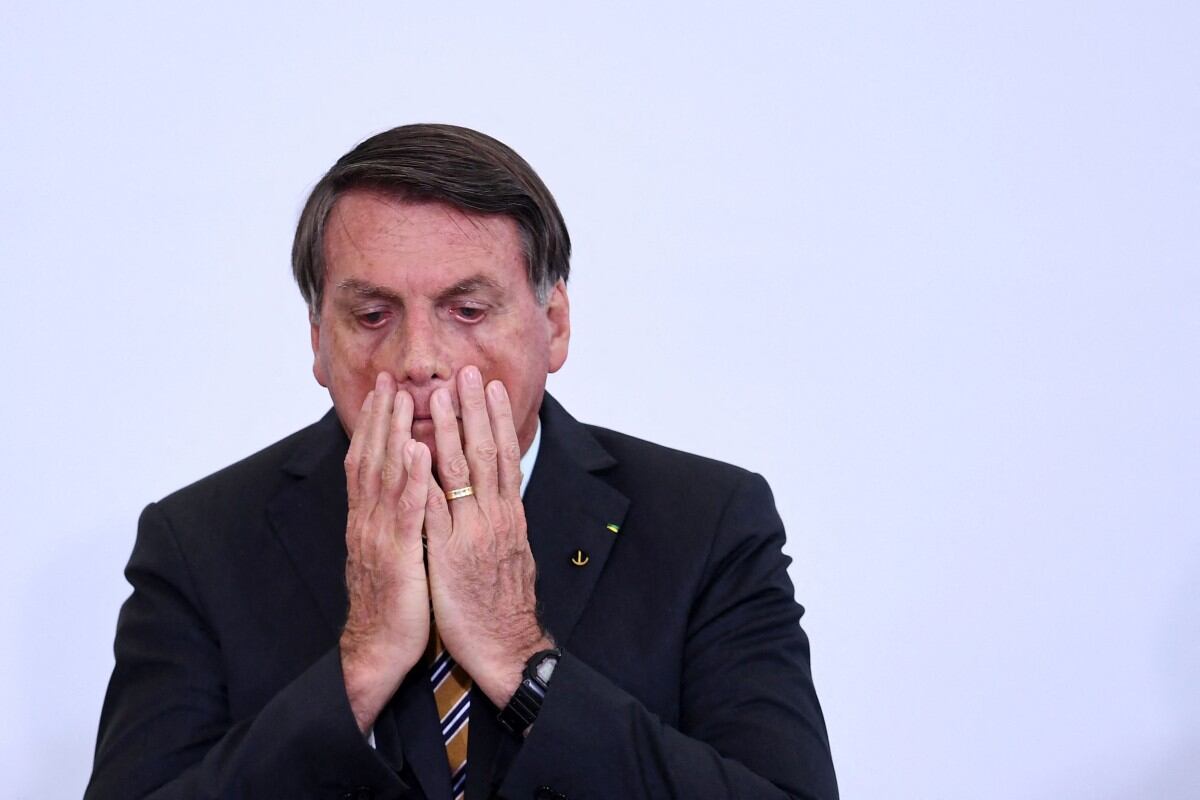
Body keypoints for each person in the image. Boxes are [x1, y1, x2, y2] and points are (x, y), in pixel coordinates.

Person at [86, 124, 839, 800]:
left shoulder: (708, 524)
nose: (419, 360)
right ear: (318, 339)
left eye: (468, 311)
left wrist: (521, 659)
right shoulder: (196, 542)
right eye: (372, 315)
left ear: (554, 324)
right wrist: (359, 666)